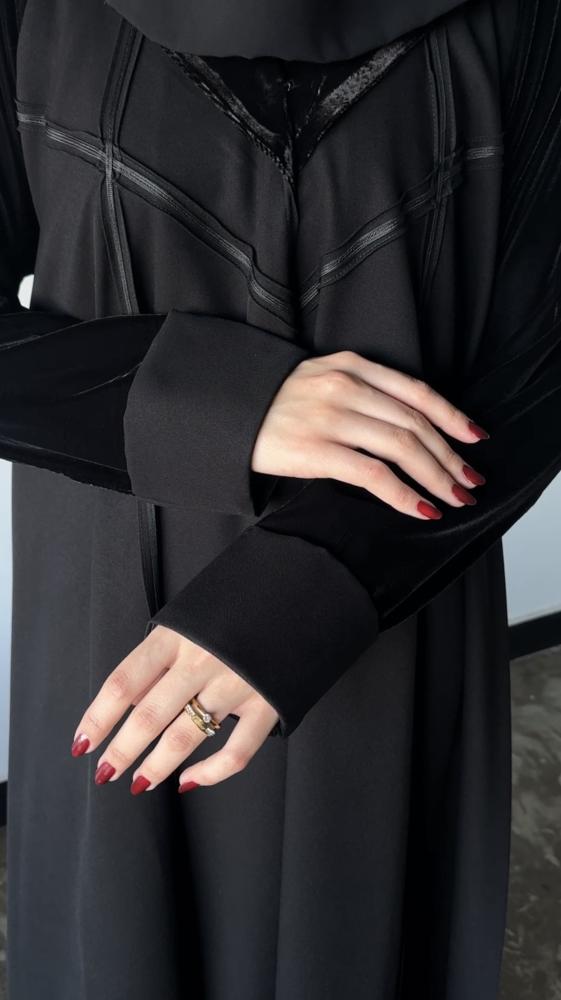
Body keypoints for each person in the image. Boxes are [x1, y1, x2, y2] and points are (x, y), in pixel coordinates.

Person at [1, 0, 560, 996]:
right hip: (108, 604)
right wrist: (218, 404)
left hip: (395, 586)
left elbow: (542, 358)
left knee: (365, 927)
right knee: (118, 926)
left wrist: (301, 593)